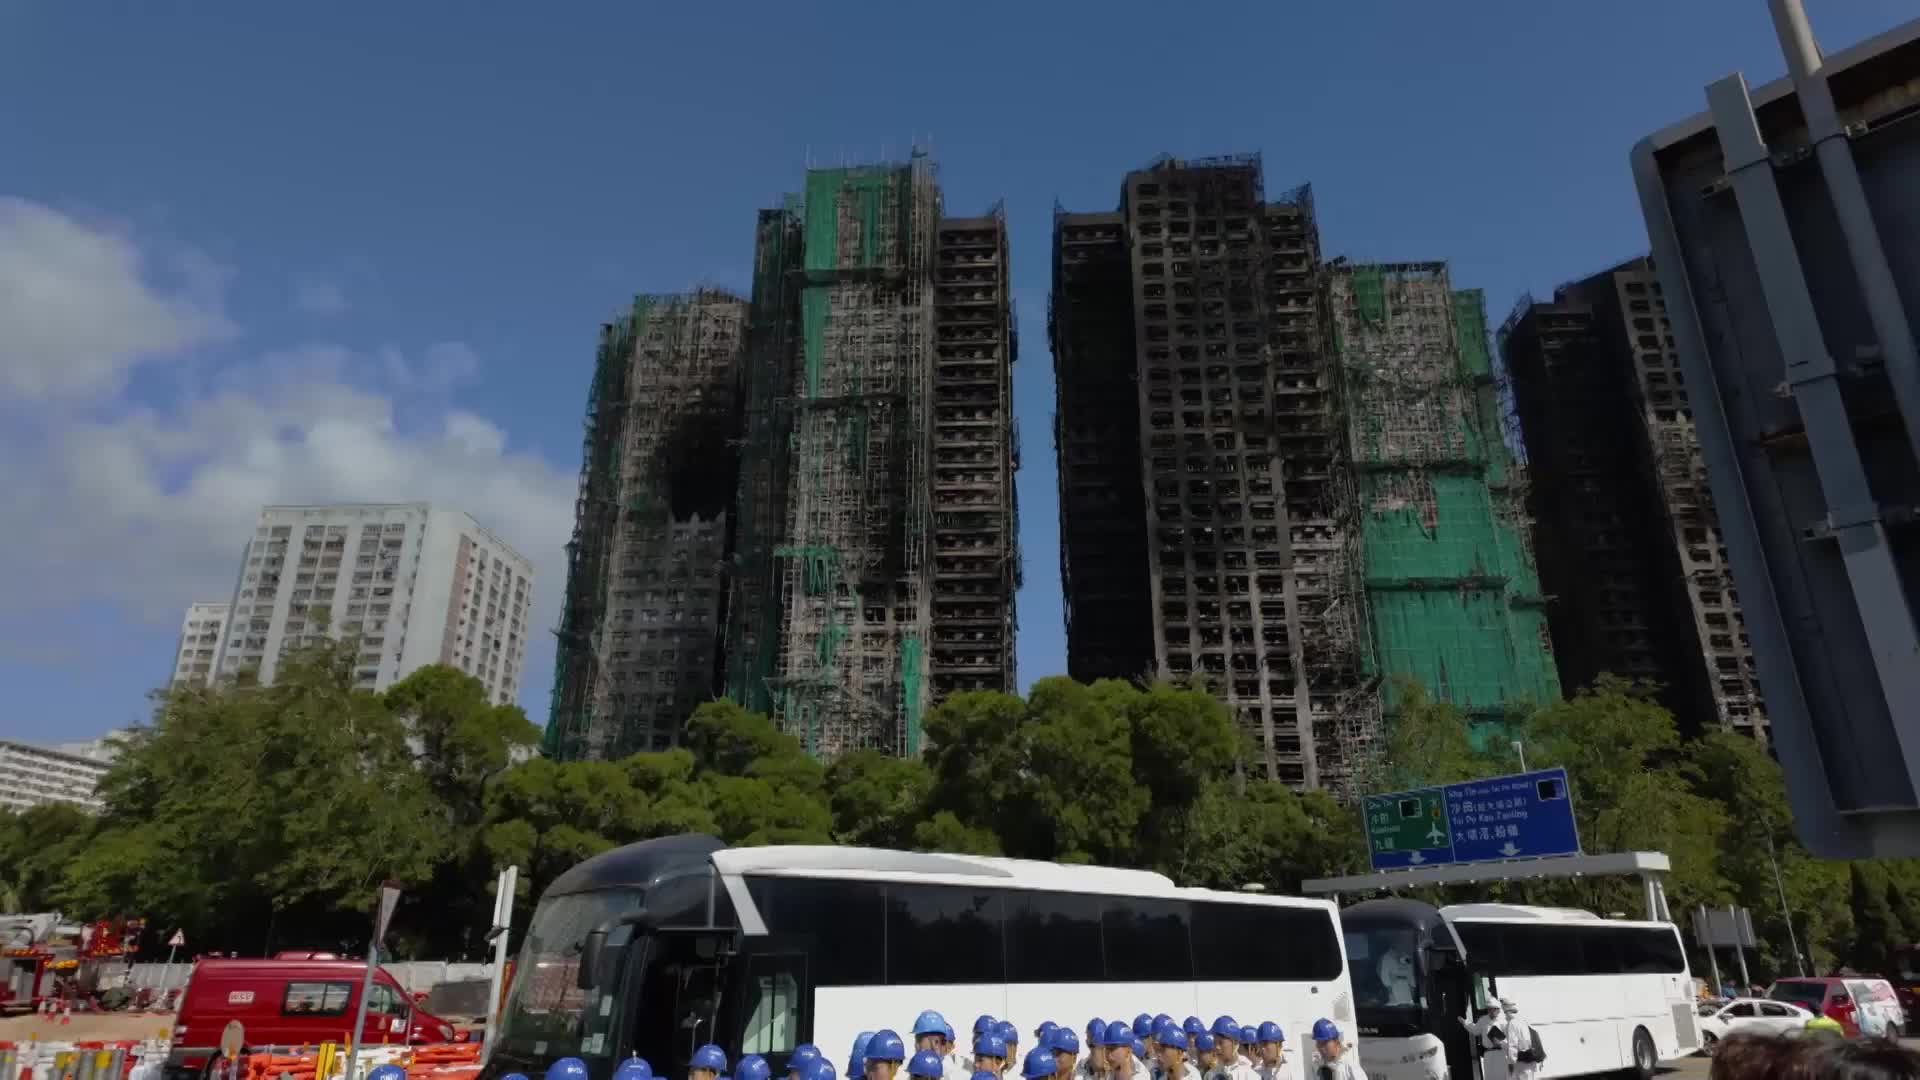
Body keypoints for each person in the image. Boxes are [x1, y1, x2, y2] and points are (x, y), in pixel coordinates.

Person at [1467, 1001, 1508, 1080]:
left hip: (1500, 1053)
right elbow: (1475, 1031)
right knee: (1490, 1077)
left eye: (1494, 1009)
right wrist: (1465, 1022)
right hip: (1488, 1054)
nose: (1491, 1011)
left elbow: (1510, 1040)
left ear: (1498, 1010)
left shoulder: (1503, 1021)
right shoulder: (1483, 1020)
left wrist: (1501, 1043)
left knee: (1501, 1076)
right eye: (1489, 1009)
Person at [1500, 999, 1536, 1080]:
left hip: (1521, 1063)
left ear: (1507, 1011)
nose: (1505, 1016)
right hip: (1531, 1061)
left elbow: (1512, 1045)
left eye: (1505, 1013)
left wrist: (1511, 1063)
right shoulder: (1524, 1020)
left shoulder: (1512, 1023)